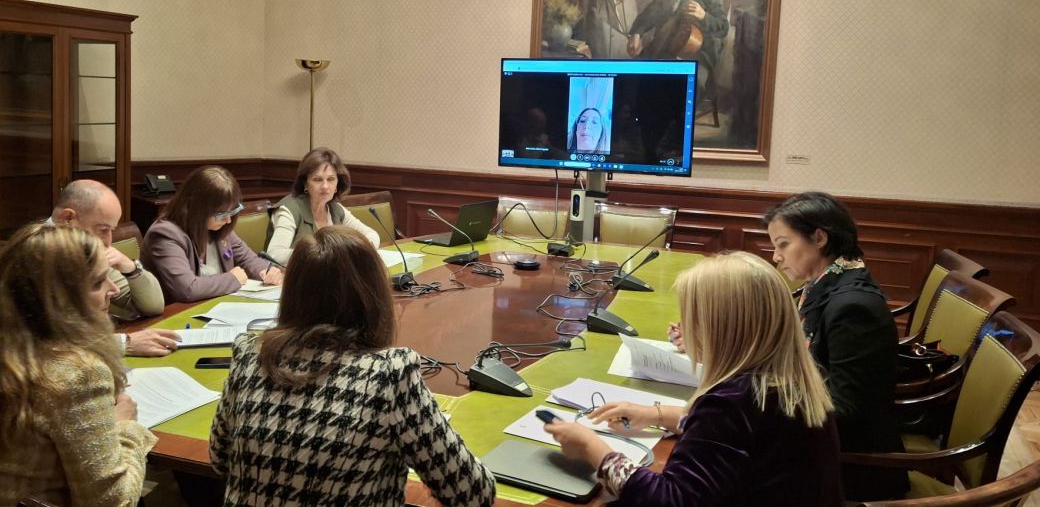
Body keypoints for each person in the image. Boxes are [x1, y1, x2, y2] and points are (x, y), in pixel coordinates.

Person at [210, 225, 495, 507]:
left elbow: (220, 458)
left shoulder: (250, 354)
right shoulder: (389, 375)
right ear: (373, 294)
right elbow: (472, 493)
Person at [544, 252, 843, 507]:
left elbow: (669, 500)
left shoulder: (731, 403)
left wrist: (592, 448)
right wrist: (656, 414)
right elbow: (737, 440)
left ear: (719, 329)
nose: (682, 326)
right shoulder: (785, 381)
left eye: (690, 317)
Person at [0, 223, 155, 507]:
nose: (113, 290)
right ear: (59, 299)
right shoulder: (79, 373)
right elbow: (112, 502)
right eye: (98, 282)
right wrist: (125, 428)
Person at [763, 191, 908, 501]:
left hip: (852, 467)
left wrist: (758, 411)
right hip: (824, 445)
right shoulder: (825, 285)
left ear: (819, 238)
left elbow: (848, 414)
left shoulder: (853, 308)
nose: (776, 257)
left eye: (783, 244)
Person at [50, 179, 181, 357]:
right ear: (68, 218)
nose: (108, 241)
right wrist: (122, 343)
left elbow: (153, 306)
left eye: (111, 230)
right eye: (103, 229)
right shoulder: (35, 255)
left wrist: (130, 268)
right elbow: (45, 341)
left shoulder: (89, 250)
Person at [142, 165, 283, 303]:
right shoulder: (165, 234)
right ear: (196, 208)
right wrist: (232, 279)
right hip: (174, 313)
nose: (228, 220)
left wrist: (266, 271)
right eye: (220, 214)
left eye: (232, 212)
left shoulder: (218, 228)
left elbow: (249, 259)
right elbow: (187, 289)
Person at [265, 148, 381, 266]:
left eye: (331, 179)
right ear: (305, 183)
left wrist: (364, 249)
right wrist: (325, 254)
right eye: (317, 179)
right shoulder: (289, 209)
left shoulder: (336, 209)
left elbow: (371, 235)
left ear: (337, 183)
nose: (325, 186)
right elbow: (275, 254)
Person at [626, 0, 728, 64]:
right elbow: (647, 16)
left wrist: (704, 16)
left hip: (698, 54)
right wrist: (637, 33)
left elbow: (723, 27)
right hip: (666, 49)